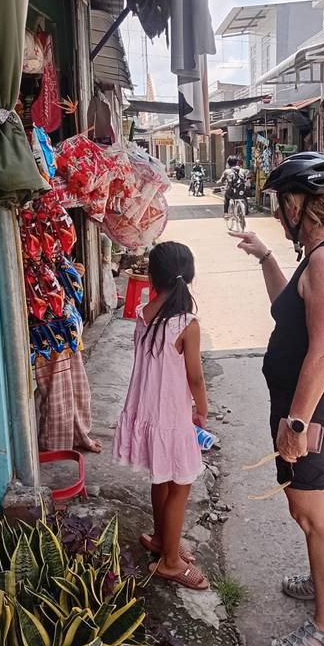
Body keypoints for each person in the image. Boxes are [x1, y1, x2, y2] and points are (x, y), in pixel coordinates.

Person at [232, 152, 324, 646]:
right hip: (303, 405)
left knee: (309, 511)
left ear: (298, 204)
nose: (278, 211)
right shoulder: (317, 254)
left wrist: (297, 423)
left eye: (280, 202)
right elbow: (288, 310)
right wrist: (267, 257)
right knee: (318, 502)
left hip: (311, 409)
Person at [113, 241, 209, 591]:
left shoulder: (144, 313)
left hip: (149, 414)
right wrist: (202, 408)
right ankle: (169, 562)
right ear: (190, 276)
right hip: (171, 418)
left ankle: (160, 538)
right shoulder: (188, 324)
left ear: (153, 277)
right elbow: (195, 377)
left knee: (161, 478)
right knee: (181, 485)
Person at [36, 261, 101, 454]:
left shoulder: (52, 251)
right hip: (43, 328)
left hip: (66, 324)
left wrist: (72, 271)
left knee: (75, 386)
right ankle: (54, 444)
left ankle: (79, 435)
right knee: (56, 388)